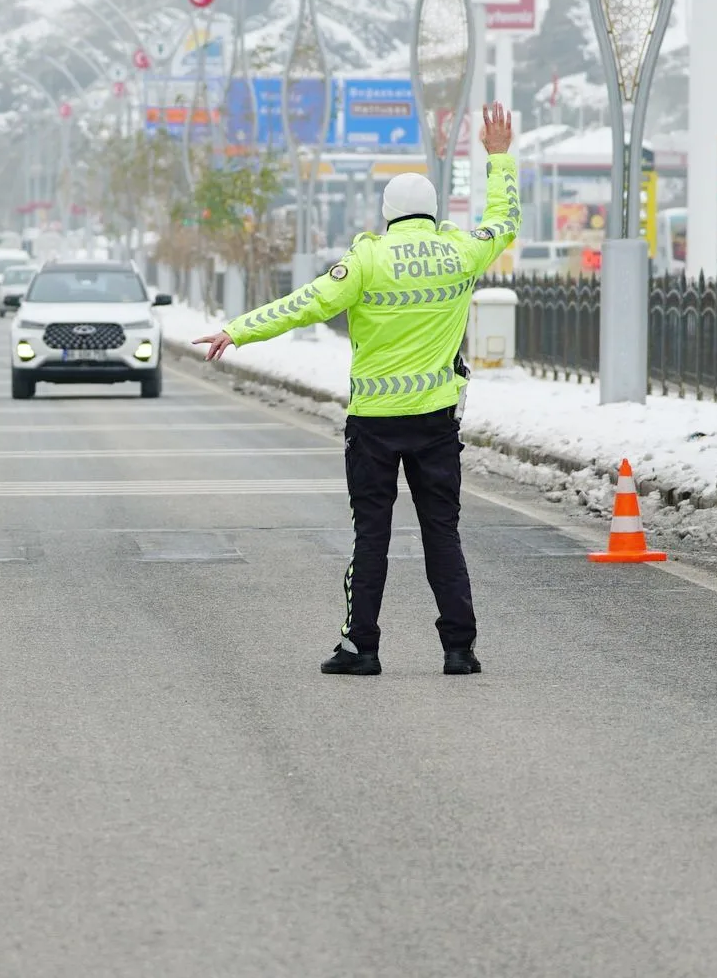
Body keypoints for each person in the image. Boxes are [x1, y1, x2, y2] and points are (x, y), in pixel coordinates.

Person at [194, 103, 520, 678]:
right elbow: (504, 220)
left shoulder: (368, 259)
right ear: (433, 210)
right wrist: (499, 159)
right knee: (441, 532)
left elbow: (303, 305)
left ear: (387, 212)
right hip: (438, 420)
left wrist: (236, 330)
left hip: (373, 425)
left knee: (372, 535)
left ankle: (361, 648)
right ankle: (459, 649)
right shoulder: (462, 252)